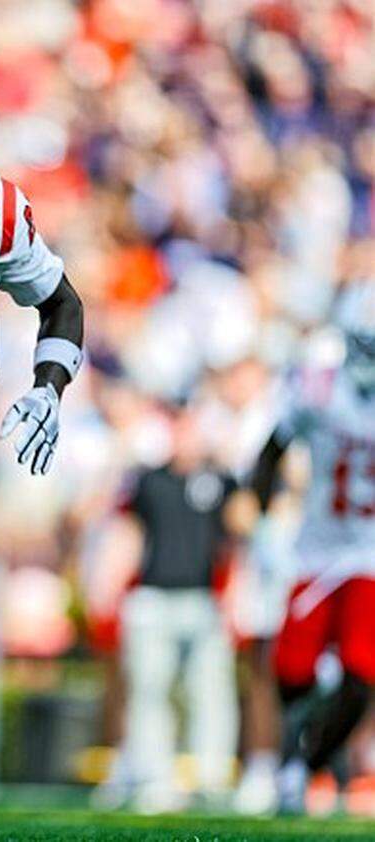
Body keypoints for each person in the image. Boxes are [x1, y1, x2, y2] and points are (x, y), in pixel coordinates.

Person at [247, 282, 375, 813]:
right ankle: (293, 757)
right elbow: (271, 449)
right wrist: (261, 517)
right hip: (316, 548)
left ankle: (306, 766)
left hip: (370, 552)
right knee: (293, 669)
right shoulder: (317, 386)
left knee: (363, 668)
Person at [117, 402, 239, 813]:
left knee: (210, 692)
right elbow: (129, 535)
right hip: (154, 598)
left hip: (202, 599)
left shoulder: (220, 480)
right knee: (151, 692)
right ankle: (153, 776)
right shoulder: (150, 480)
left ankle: (212, 778)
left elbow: (241, 530)